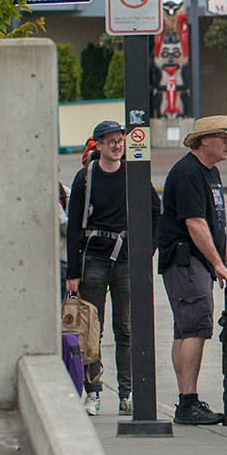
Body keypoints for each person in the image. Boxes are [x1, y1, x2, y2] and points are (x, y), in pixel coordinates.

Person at [66, 119, 160, 416]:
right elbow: (72, 228)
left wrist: (147, 251)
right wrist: (72, 272)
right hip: (92, 259)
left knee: (127, 330)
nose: (117, 145)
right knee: (92, 330)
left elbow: (156, 212)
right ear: (98, 145)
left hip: (126, 260)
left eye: (120, 140)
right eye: (110, 141)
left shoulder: (135, 175)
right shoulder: (85, 178)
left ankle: (127, 392)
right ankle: (93, 392)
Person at [156, 114, 227, 425]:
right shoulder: (189, 173)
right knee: (194, 327)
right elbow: (195, 223)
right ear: (205, 140)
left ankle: (186, 400)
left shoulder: (210, 171)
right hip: (185, 260)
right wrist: (218, 265)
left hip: (197, 261)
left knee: (185, 328)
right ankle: (187, 403)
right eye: (224, 137)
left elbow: (218, 222)